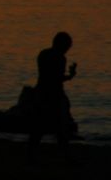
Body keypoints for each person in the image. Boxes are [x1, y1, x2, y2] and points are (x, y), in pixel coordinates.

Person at [27, 31, 77, 159]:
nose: (68, 50)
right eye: (68, 46)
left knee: (38, 128)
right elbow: (56, 78)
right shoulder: (60, 58)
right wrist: (70, 76)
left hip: (41, 92)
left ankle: (31, 155)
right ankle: (64, 156)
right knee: (61, 129)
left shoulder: (43, 54)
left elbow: (45, 75)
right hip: (54, 96)